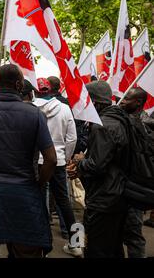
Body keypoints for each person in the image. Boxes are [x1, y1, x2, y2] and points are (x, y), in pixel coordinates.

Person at [0, 64, 57, 258]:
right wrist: (39, 184)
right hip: (25, 194)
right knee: (26, 250)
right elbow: (51, 159)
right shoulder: (35, 115)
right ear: (18, 84)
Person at [67, 81, 130, 258]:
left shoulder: (103, 125)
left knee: (97, 249)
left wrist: (80, 163)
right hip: (117, 195)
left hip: (104, 199)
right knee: (113, 247)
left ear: (94, 103)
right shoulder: (120, 119)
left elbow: (97, 165)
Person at [34, 78, 80, 257]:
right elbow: (72, 138)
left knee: (39, 200)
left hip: (37, 161)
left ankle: (44, 244)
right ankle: (76, 243)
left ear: (37, 92)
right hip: (59, 161)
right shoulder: (65, 108)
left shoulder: (33, 109)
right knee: (64, 202)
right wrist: (65, 157)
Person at [120, 87, 148, 258]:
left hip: (136, 187)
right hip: (122, 186)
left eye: (126, 98)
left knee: (134, 235)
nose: (122, 101)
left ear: (138, 102)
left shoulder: (143, 125)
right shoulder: (127, 120)